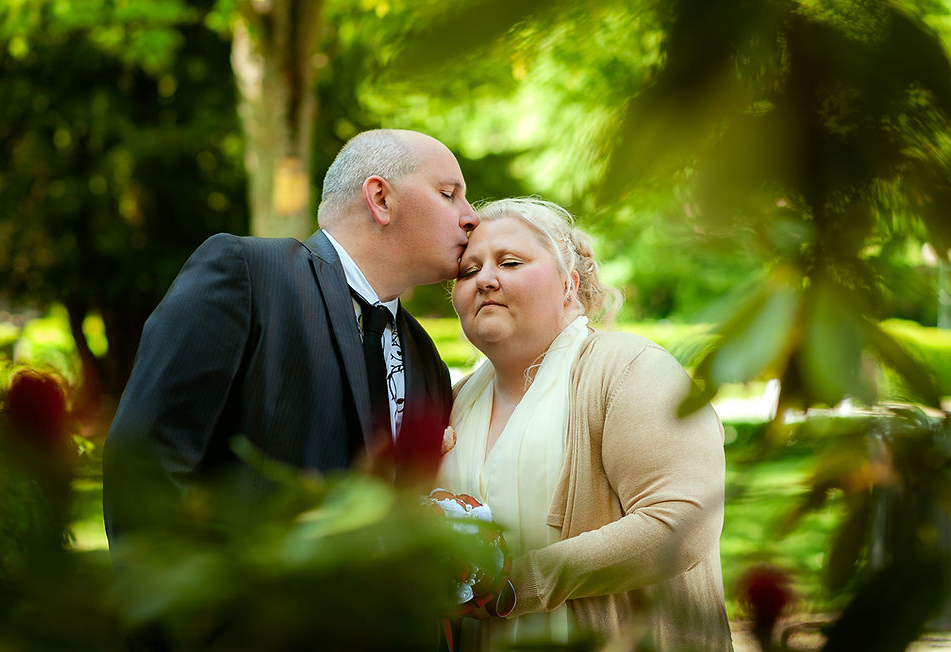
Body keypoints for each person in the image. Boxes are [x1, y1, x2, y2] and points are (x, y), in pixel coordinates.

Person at [103, 129, 478, 545]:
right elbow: (145, 463)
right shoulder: (248, 275)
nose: (471, 217)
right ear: (381, 199)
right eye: (448, 194)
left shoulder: (426, 359)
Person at [438, 198, 733, 650]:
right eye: (468, 270)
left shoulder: (630, 369)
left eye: (511, 262)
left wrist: (519, 583)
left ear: (568, 286)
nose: (486, 280)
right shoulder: (456, 401)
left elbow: (683, 522)